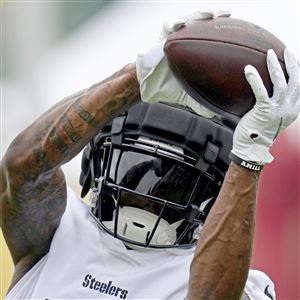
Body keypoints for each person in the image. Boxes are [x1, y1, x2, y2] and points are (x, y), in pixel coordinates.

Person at [0, 10, 299, 300]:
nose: (150, 191)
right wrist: (137, 76)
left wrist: (251, 150)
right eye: (134, 163)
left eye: (177, 179)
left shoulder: (222, 277)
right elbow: (21, 168)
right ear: (97, 161)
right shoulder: (59, 233)